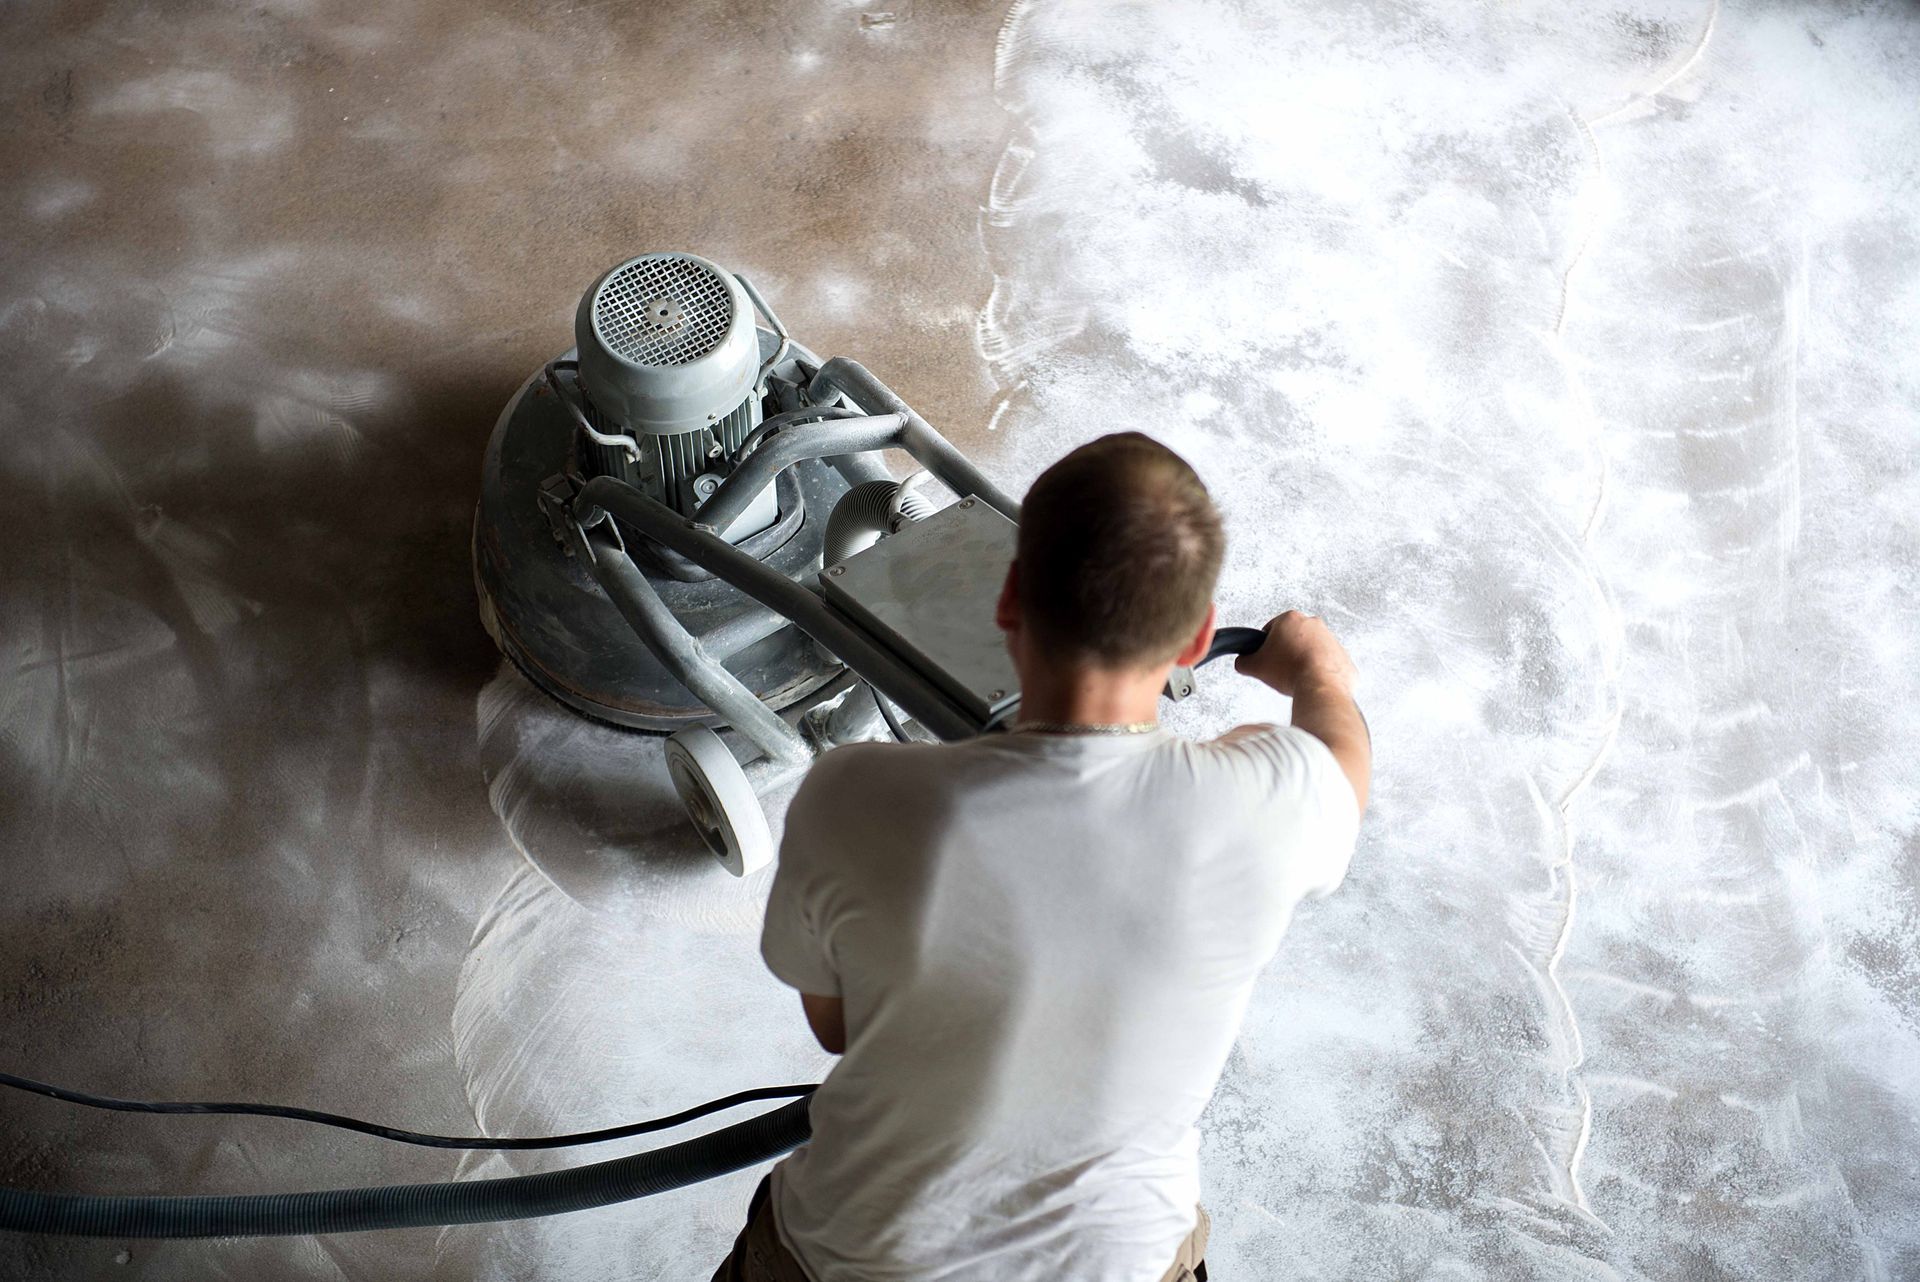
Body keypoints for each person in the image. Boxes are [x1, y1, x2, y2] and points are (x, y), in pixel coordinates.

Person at [713, 431, 1370, 1282]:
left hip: (849, 1257)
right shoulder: (1262, 806)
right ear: (1198, 635)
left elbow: (839, 1028)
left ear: (1010, 596)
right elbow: (1342, 765)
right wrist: (1319, 672)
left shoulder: (850, 797)